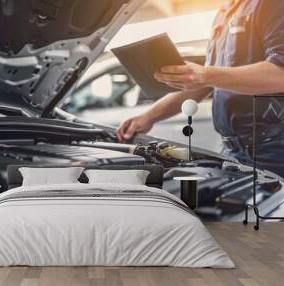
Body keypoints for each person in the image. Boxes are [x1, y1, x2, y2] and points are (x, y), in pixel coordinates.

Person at [116, 0, 284, 177]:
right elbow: (205, 82)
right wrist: (149, 116)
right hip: (232, 150)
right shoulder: (223, 13)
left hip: (273, 150)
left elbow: (280, 75)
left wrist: (205, 75)